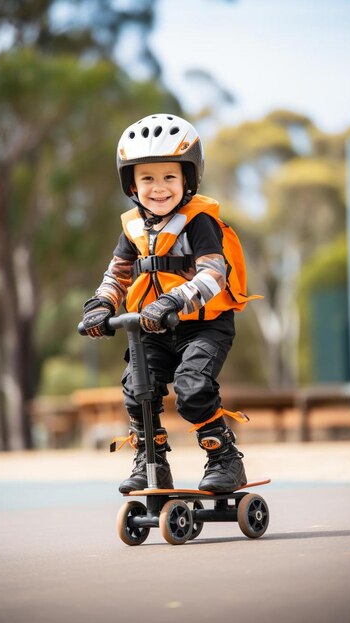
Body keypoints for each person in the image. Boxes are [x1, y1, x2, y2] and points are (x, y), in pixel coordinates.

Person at [82, 113, 259, 494]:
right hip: (151, 327)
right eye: (147, 178)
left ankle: (224, 460)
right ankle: (152, 464)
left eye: (169, 177)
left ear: (188, 180)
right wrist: (101, 305)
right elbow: (118, 274)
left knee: (192, 387)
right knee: (136, 389)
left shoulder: (199, 223)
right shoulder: (132, 229)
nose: (158, 188)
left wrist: (173, 301)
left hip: (203, 325)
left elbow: (213, 275)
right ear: (132, 183)